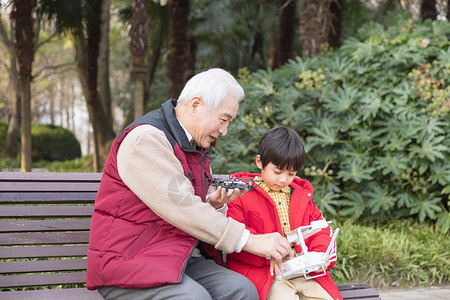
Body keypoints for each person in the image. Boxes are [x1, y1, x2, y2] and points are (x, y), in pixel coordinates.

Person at [86, 68, 293, 300]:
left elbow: (186, 205)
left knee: (241, 290)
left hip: (177, 255)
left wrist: (212, 203)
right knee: (194, 298)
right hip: (130, 261)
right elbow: (182, 206)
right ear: (195, 105)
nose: (224, 131)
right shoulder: (146, 139)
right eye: (224, 119)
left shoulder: (195, 146)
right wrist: (250, 240)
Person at [226, 126, 343, 300]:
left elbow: (322, 230)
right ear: (260, 162)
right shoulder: (240, 195)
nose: (283, 179)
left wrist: (320, 256)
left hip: (304, 272)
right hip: (267, 274)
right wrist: (268, 255)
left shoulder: (302, 197)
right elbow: (235, 236)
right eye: (277, 172)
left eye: (291, 174)